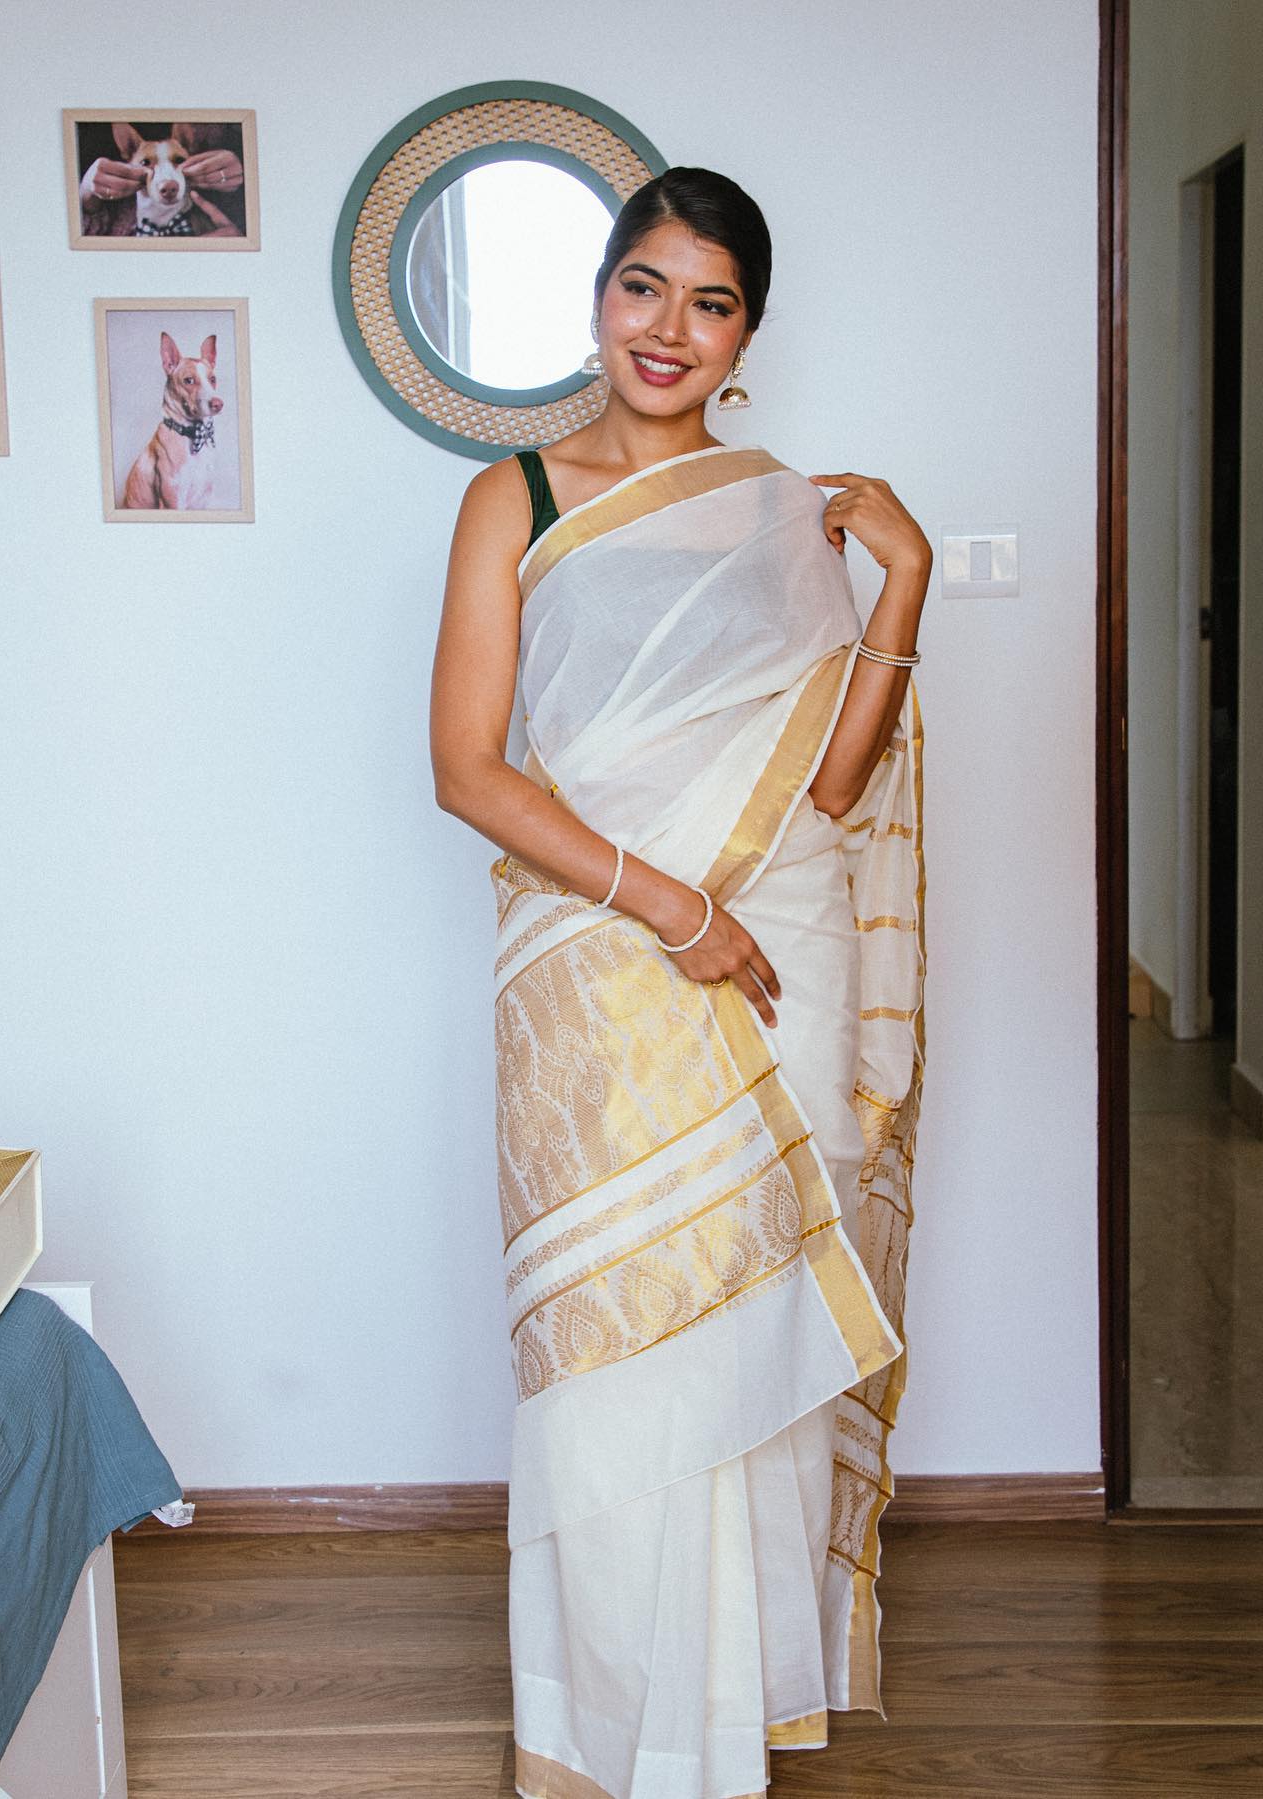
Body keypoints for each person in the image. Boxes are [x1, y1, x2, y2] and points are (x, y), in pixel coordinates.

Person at [430, 164, 931, 1799]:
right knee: (611, 1348)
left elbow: (831, 789)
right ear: (597, 297)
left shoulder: (783, 511)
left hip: (778, 955)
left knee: (748, 1333)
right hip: (597, 965)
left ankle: (727, 1714)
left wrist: (903, 587)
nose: (669, 328)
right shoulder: (518, 494)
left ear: (746, 336)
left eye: (709, 301)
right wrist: (668, 911)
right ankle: (592, 1730)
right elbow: (468, 770)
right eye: (644, 285)